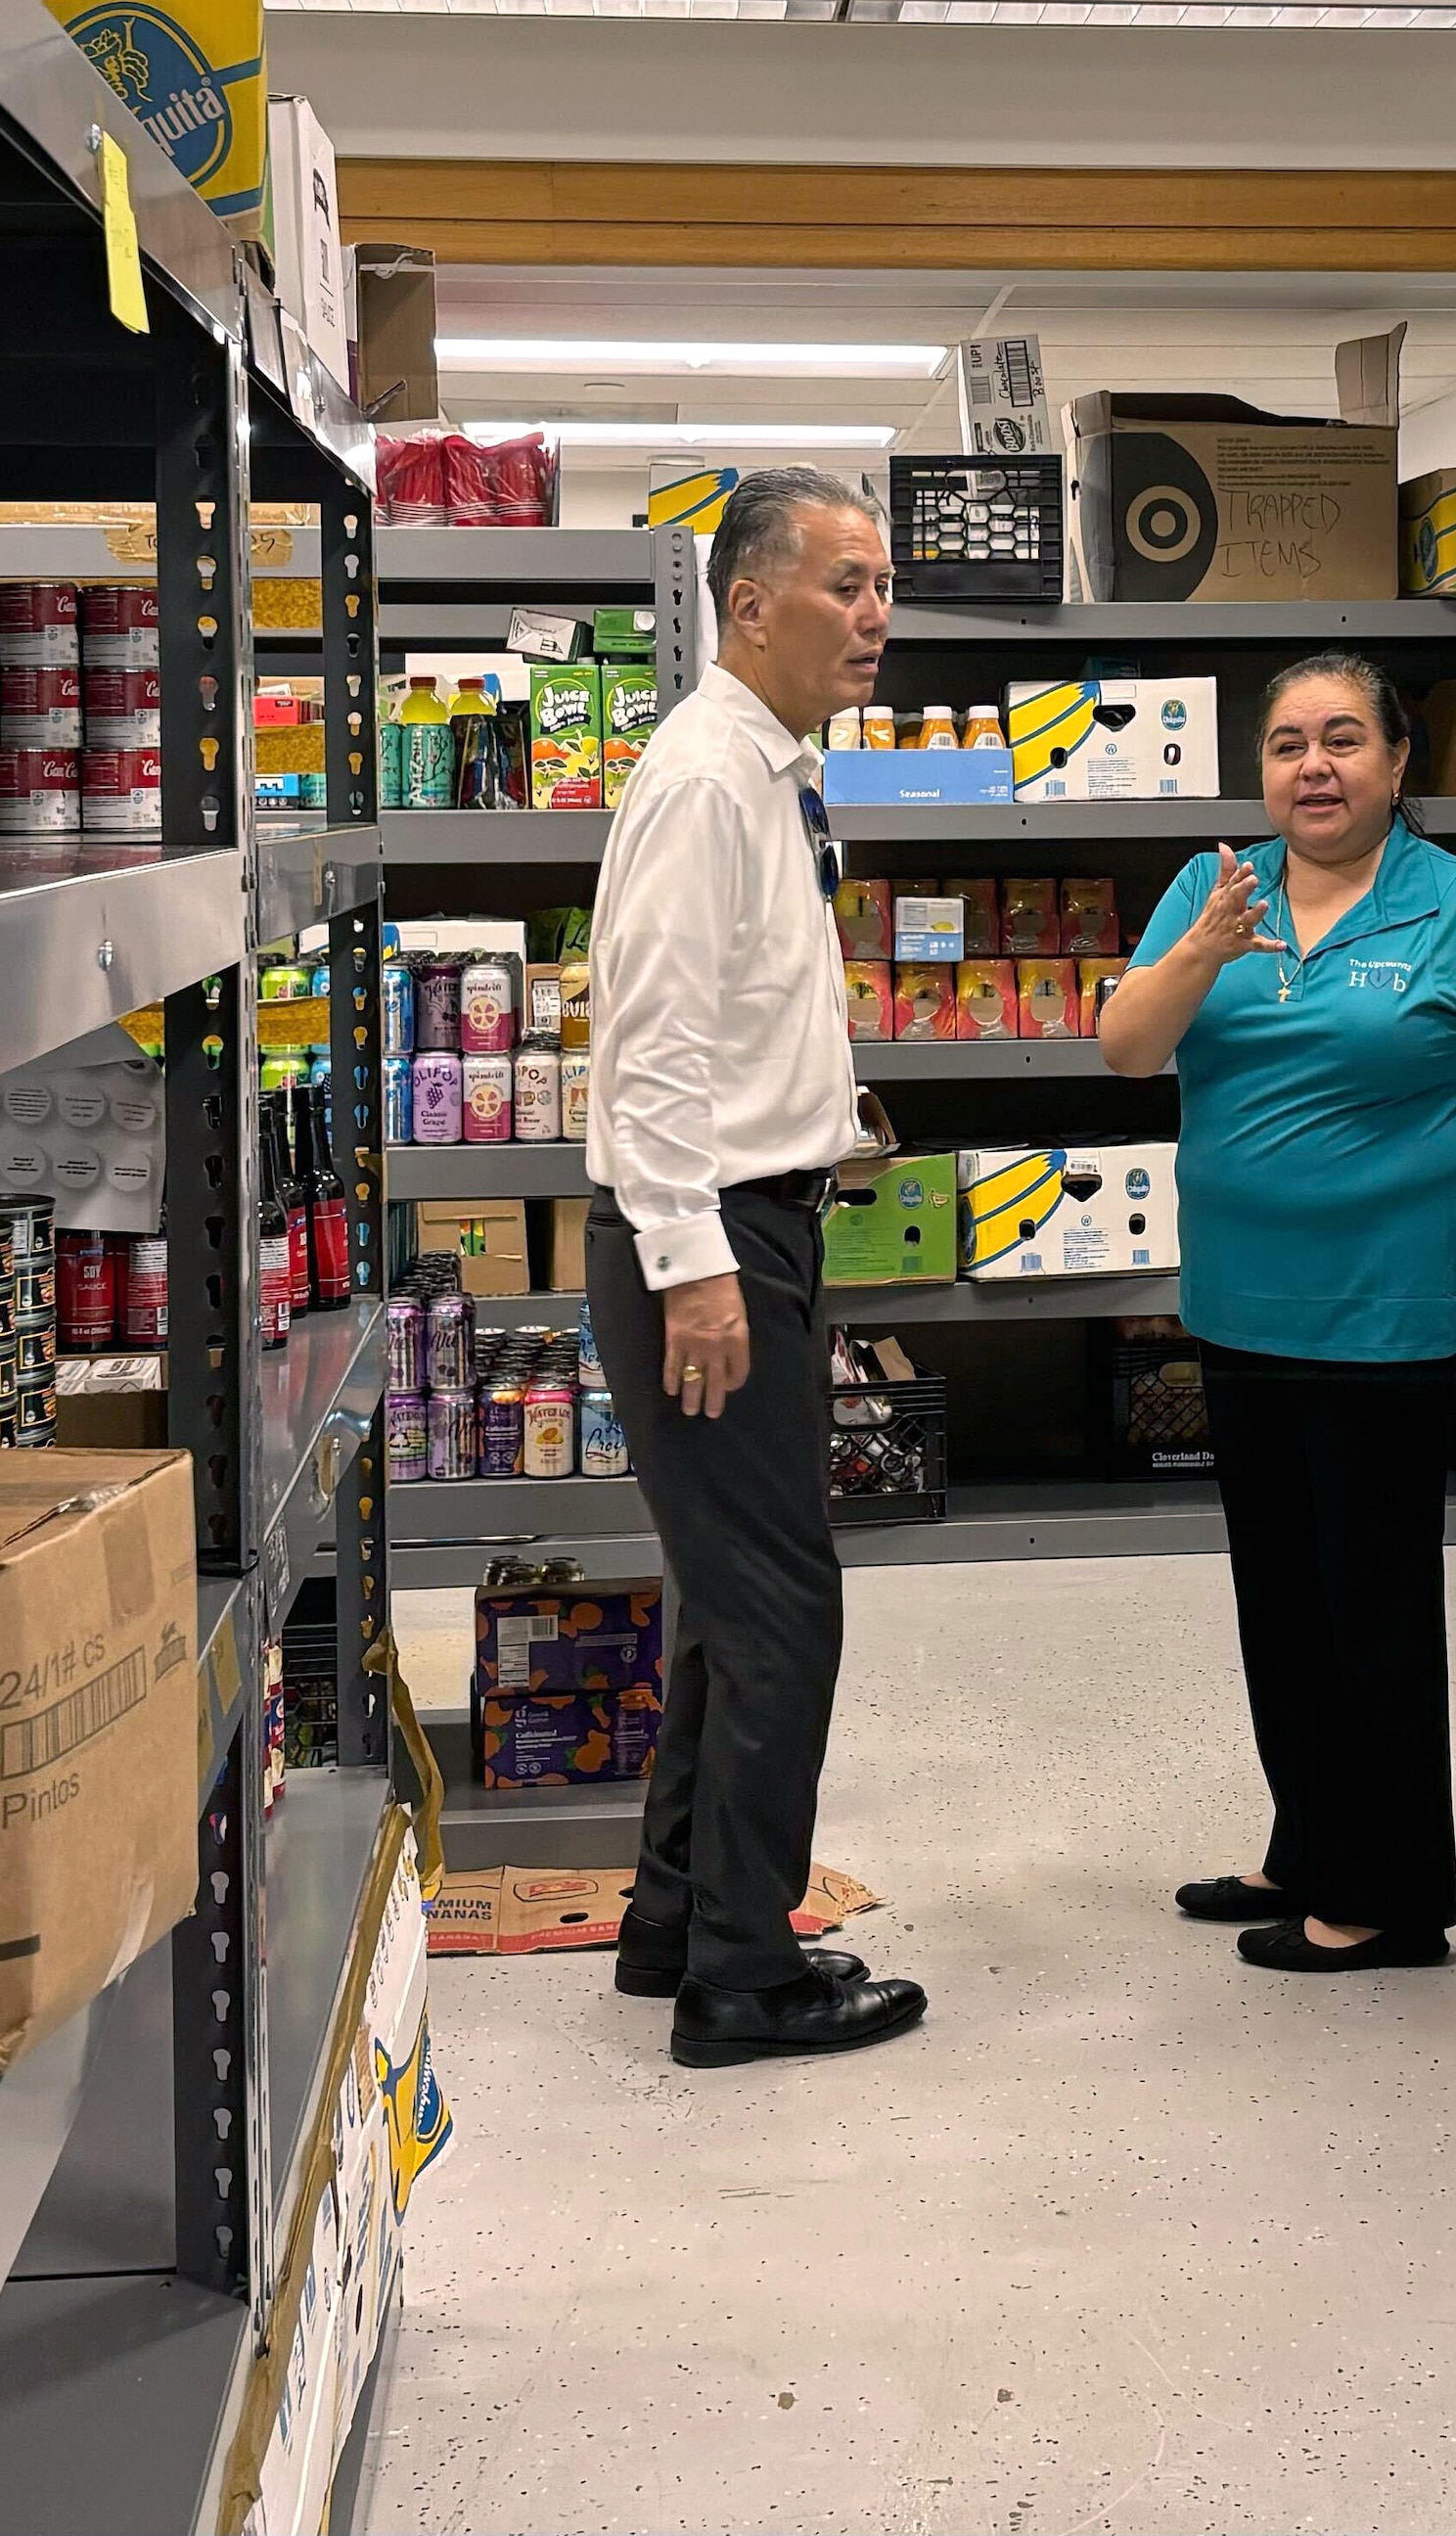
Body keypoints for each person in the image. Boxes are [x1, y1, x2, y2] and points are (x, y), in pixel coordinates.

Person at [1097, 650, 1456, 1973]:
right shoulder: (1214, 889)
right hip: (1238, 1303)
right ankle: (1309, 1840)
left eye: (1341, 740)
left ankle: (1388, 1898)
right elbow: (1128, 1048)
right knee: (1279, 1599)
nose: (1312, 766)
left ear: (1395, 762)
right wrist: (1201, 947)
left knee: (1370, 1604)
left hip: (1386, 1308)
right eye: (1286, 745)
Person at [582, 468, 925, 2067]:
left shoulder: (775, 770)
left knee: (732, 1604)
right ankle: (746, 1978)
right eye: (847, 584)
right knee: (785, 1607)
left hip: (755, 1219)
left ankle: (677, 1922)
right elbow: (650, 1043)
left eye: (882, 587)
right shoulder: (708, 778)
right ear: (747, 604)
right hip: (710, 1232)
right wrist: (694, 1265)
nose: (876, 615)